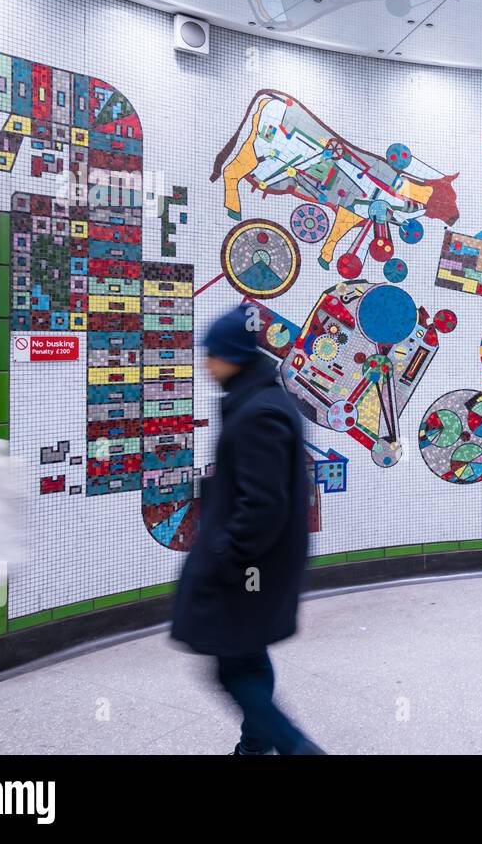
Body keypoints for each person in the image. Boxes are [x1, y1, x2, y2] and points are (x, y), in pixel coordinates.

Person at [170, 305, 325, 753]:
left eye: (212, 354)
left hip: (252, 566)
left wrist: (223, 554)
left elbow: (263, 505)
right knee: (246, 655)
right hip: (259, 563)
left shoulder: (257, 412)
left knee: (232, 669)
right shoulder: (259, 399)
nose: (206, 363)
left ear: (233, 356)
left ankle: (296, 749)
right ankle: (255, 746)